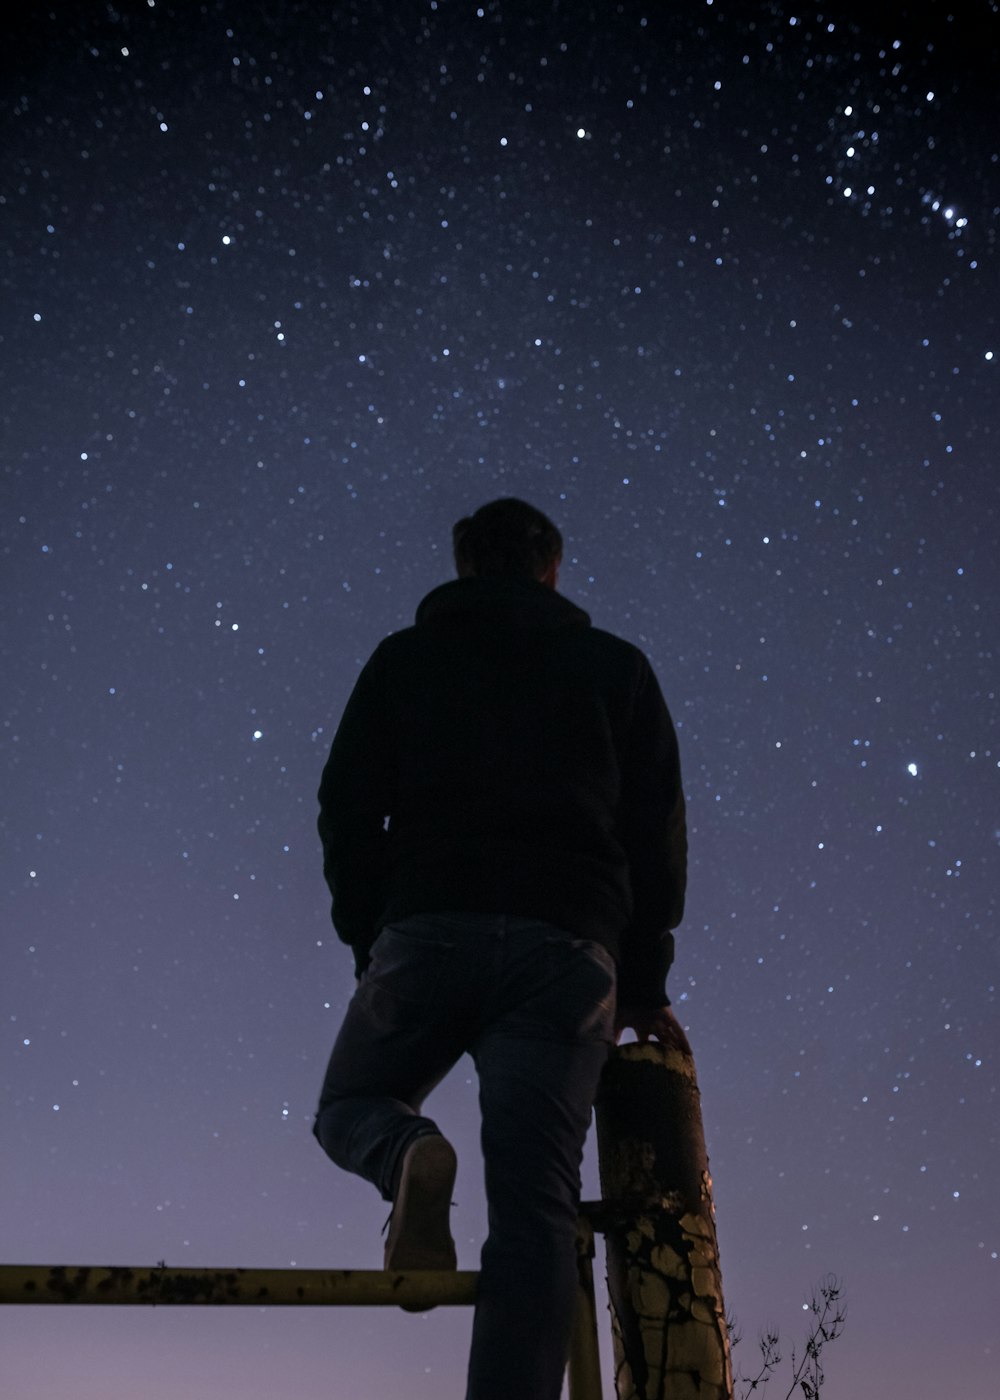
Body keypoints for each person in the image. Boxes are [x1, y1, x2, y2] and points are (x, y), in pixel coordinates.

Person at [313, 498, 688, 1400]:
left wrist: (372, 933)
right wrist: (644, 979)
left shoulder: (406, 660)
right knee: (536, 1212)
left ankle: (405, 1152)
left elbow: (346, 804)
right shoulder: (616, 668)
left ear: (464, 568)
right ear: (553, 569)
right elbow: (655, 830)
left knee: (354, 1103)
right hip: (569, 952)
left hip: (431, 924)